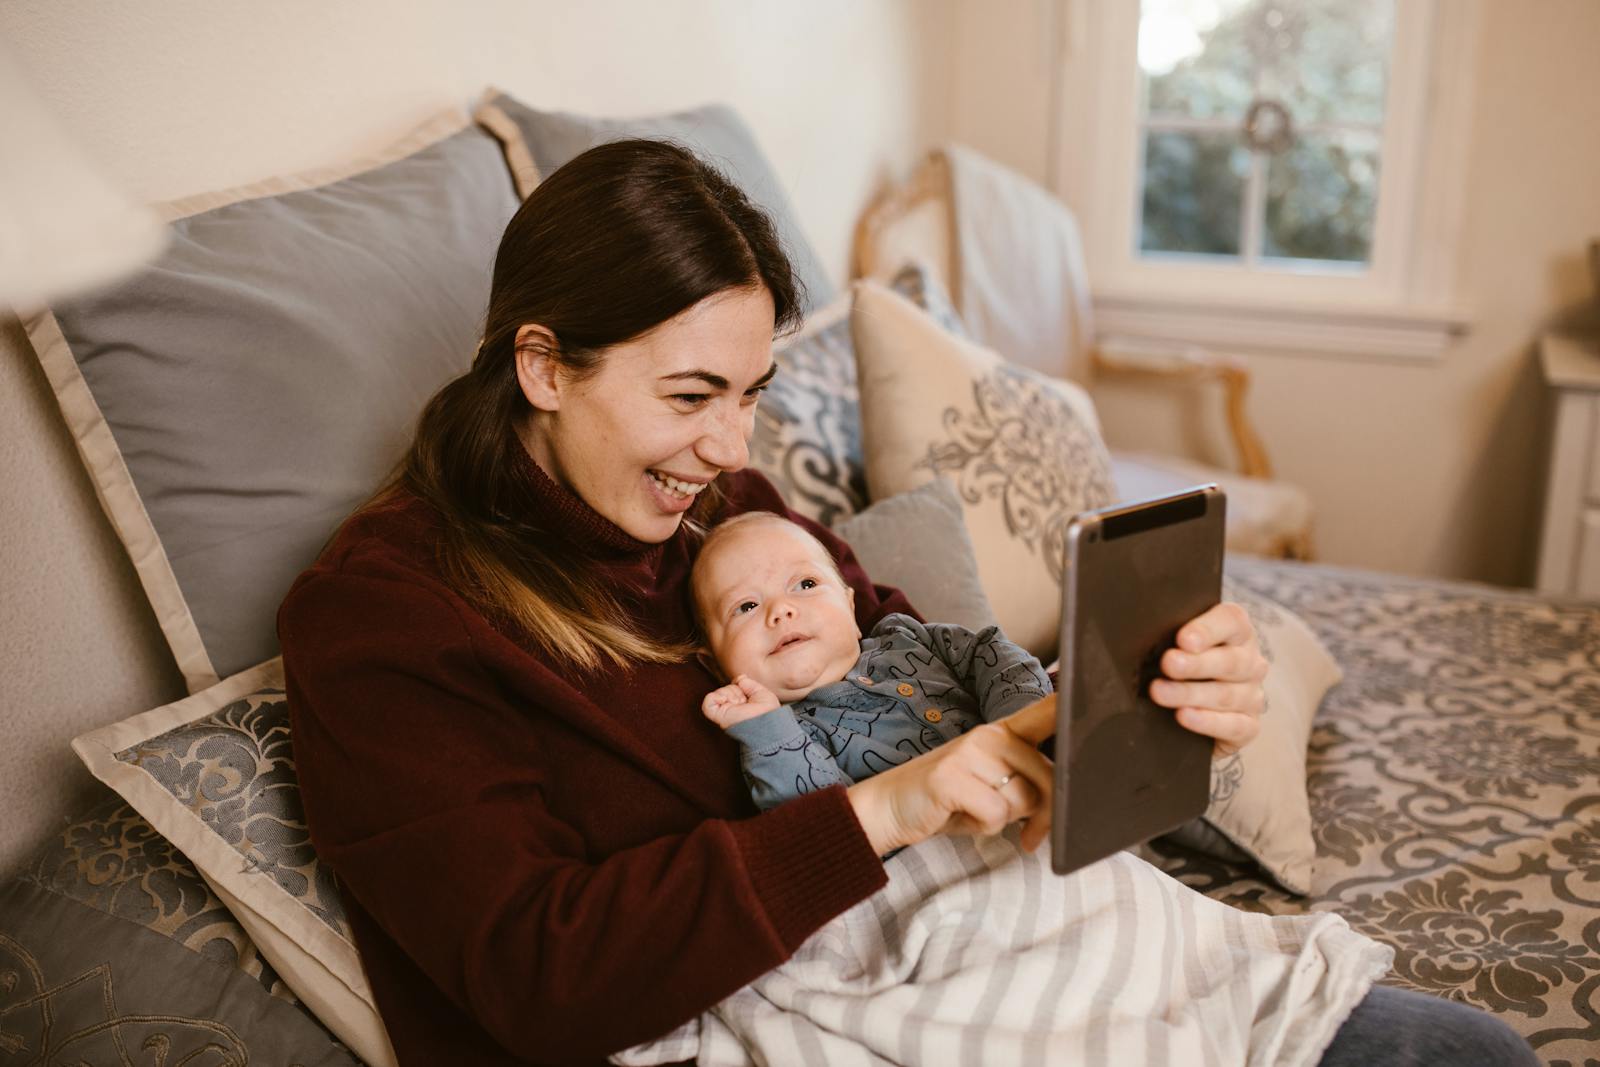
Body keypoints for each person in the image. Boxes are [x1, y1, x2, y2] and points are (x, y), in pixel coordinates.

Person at [277, 139, 1538, 1066]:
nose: (728, 446)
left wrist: (1163, 703)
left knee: (1475, 1054)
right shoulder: (389, 619)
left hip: (1009, 942)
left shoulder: (726, 512)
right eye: (688, 395)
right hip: (820, 1007)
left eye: (753, 392)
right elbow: (537, 976)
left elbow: (917, 666)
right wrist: (884, 804)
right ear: (542, 365)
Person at [692, 511, 1051, 816]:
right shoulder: (783, 739)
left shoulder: (909, 636)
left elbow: (995, 656)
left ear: (850, 606)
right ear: (716, 666)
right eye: (746, 607)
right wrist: (765, 728)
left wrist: (1018, 727)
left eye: (805, 583)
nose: (781, 610)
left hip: (1030, 788)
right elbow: (822, 823)